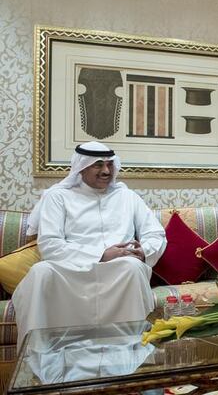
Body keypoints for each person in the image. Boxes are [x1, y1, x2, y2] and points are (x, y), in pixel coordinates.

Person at [13, 141, 166, 346]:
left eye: (110, 164)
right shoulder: (58, 197)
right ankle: (42, 356)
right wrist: (101, 255)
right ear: (81, 167)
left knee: (133, 267)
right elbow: (50, 244)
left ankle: (130, 351)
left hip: (118, 270)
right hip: (71, 269)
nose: (106, 171)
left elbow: (156, 234)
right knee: (41, 272)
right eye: (98, 164)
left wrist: (143, 251)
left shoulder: (127, 197)